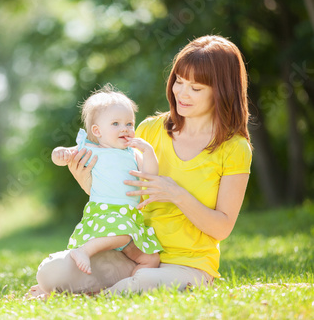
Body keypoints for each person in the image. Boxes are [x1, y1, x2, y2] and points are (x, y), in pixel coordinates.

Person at [29, 35, 252, 297]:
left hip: (188, 264)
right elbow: (123, 196)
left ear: (222, 90)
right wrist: (85, 181)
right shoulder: (148, 130)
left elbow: (222, 227)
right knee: (51, 271)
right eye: (179, 82)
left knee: (139, 283)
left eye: (196, 87)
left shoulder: (234, 147)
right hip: (135, 254)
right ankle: (86, 289)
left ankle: (90, 295)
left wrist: (176, 194)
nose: (181, 93)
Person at [51, 85, 163, 276]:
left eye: (129, 124)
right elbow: (62, 156)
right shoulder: (91, 150)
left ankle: (129, 284)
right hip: (104, 213)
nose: (125, 129)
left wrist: (149, 152)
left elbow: (150, 176)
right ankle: (83, 251)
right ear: (97, 131)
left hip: (129, 217)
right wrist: (59, 153)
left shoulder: (134, 154)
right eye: (116, 124)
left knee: (152, 259)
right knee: (123, 233)